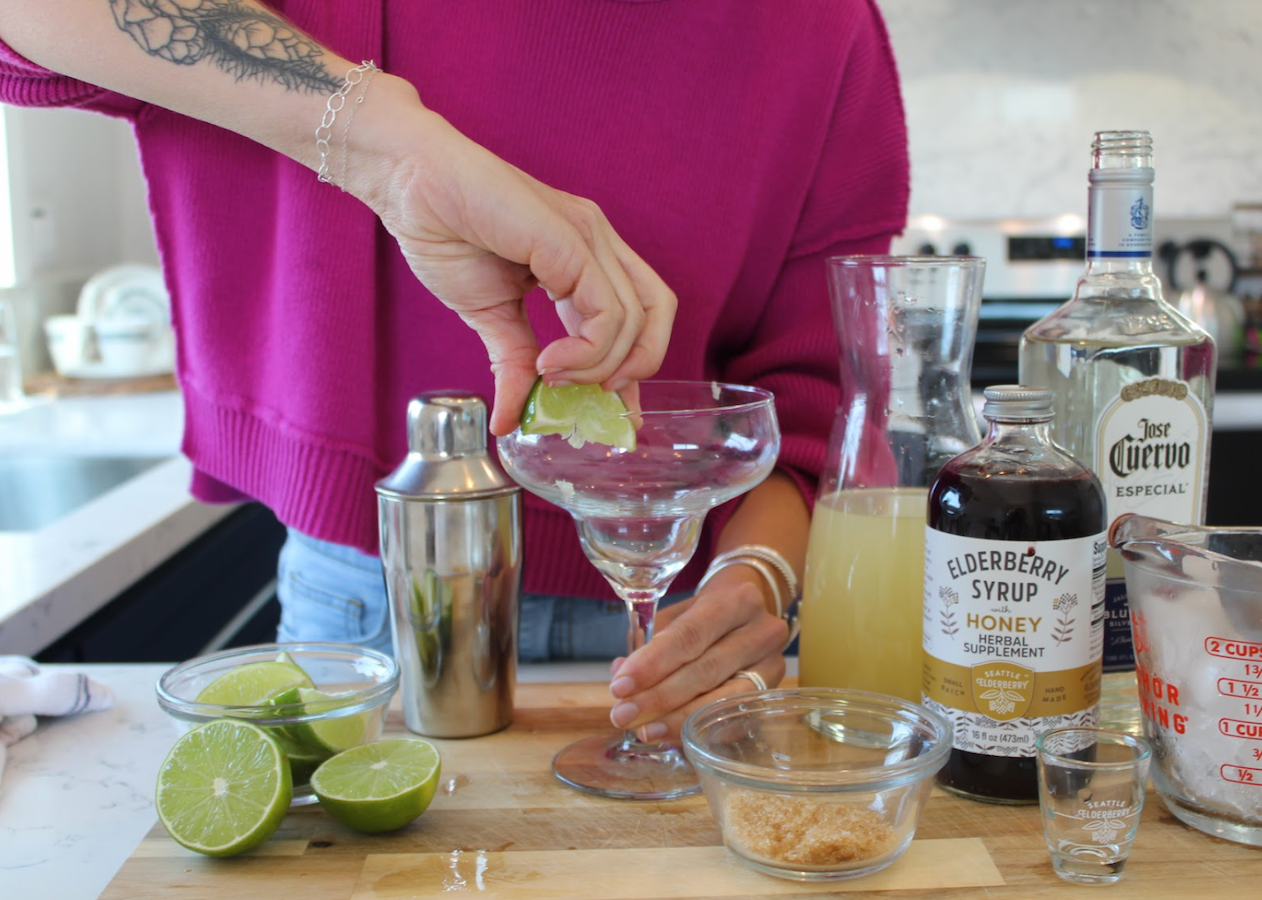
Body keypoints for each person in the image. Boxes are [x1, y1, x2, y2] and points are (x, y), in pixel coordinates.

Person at [0, 0, 908, 742]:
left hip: (692, 619)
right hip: (362, 592)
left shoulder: (822, 28)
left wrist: (760, 582)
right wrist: (392, 150)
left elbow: (820, 414)